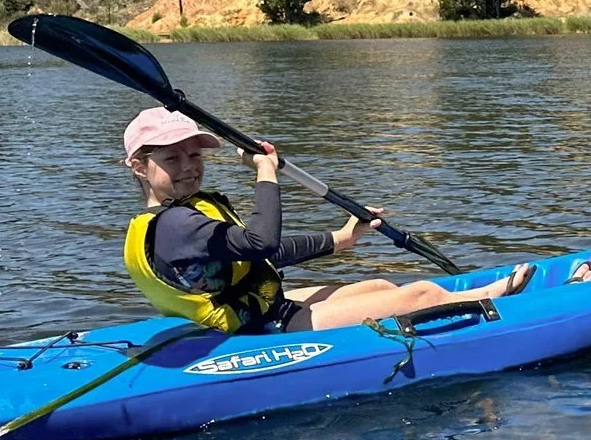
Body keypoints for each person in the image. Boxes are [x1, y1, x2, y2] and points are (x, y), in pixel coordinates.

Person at [120, 107, 532, 334]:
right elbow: (262, 241)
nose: (189, 167)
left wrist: (340, 239)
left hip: (263, 308)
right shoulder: (176, 225)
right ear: (139, 167)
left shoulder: (184, 213)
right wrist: (265, 170)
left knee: (380, 285)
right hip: (260, 328)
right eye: (171, 158)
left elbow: (258, 258)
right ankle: (500, 301)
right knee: (421, 294)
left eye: (194, 155)